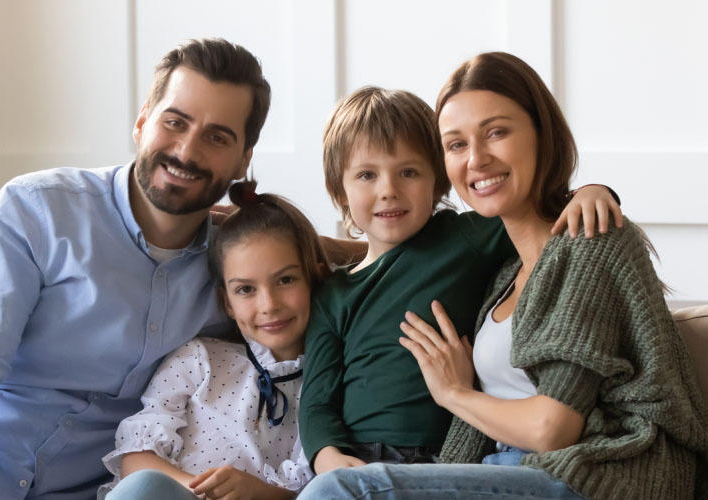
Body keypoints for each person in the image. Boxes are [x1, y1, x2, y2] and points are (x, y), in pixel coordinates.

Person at [0, 38, 272, 500]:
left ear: (244, 159)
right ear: (142, 121)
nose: (186, 150)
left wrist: (320, 239)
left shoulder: (236, 272)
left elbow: (333, 276)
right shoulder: (37, 209)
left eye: (217, 137)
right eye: (174, 122)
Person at [297, 52, 708, 500]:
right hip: (506, 470)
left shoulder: (586, 243)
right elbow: (394, 257)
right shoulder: (503, 276)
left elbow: (554, 429)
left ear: (541, 133)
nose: (476, 159)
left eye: (496, 132)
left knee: (339, 493)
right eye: (456, 144)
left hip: (591, 475)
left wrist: (453, 393)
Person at [298, 86, 623, 475]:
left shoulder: (464, 237)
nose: (389, 190)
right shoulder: (333, 295)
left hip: (448, 456)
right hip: (358, 457)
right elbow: (316, 401)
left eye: (409, 172)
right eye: (367, 175)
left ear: (438, 183)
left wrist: (593, 191)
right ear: (340, 191)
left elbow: (547, 213)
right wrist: (326, 456)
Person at [100, 180, 327, 500]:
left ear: (314, 277)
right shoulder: (198, 359)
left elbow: (328, 489)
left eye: (285, 279)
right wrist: (202, 492)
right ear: (227, 303)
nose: (269, 305)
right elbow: (136, 460)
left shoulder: (330, 382)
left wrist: (259, 493)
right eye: (246, 289)